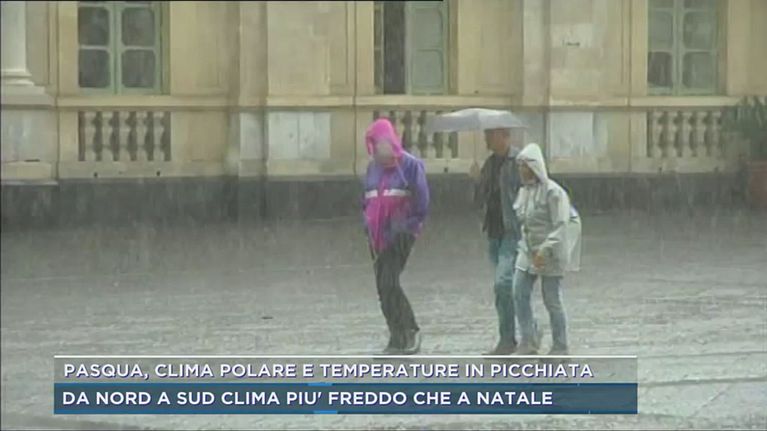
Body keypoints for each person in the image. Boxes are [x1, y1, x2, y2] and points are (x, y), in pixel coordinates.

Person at [362, 118, 430, 355]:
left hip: (401, 234)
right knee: (382, 287)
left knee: (389, 282)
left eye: (383, 142)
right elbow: (366, 199)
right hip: (377, 236)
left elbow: (422, 201)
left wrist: (406, 225)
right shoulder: (372, 169)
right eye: (375, 144)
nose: (380, 149)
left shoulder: (410, 165)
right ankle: (396, 336)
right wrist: (367, 224)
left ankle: (410, 330)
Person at [512, 143, 582, 355]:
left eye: (525, 166)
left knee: (551, 298)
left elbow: (561, 225)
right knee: (519, 291)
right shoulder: (524, 192)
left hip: (551, 251)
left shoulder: (553, 192)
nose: (521, 171)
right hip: (529, 249)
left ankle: (560, 345)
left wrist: (546, 249)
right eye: (520, 166)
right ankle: (529, 338)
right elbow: (524, 220)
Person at [473, 127, 525, 355]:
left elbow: (529, 192)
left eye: (490, 135)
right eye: (486, 135)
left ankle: (511, 337)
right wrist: (477, 180)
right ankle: (514, 336)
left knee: (503, 283)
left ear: (504, 136)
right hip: (494, 231)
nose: (486, 139)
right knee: (507, 288)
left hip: (513, 232)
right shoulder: (489, 164)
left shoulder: (518, 162)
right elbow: (480, 200)